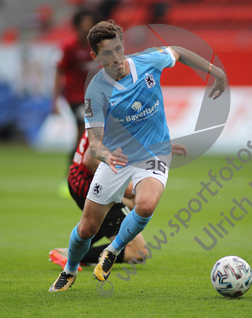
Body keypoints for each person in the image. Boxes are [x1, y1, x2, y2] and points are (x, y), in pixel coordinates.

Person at [49, 19, 226, 292]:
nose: (116, 57)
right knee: (87, 228)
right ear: (96, 56)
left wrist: (216, 72)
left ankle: (112, 250)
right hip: (116, 160)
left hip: (153, 154)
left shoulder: (148, 62)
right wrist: (106, 156)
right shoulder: (96, 91)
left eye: (119, 49)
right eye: (107, 53)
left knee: (145, 205)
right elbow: (93, 141)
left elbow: (177, 50)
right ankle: (69, 270)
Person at [48, 130, 187, 270]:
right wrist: (125, 187)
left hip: (81, 178)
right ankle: (70, 255)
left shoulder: (112, 113)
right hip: (88, 184)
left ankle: (79, 249)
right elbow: (90, 160)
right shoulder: (112, 117)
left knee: (136, 204)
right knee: (138, 252)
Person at [53, 8, 101, 163]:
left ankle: (82, 173)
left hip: (94, 96)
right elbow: (59, 72)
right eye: (83, 24)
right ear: (77, 25)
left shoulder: (99, 46)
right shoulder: (69, 46)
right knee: (83, 132)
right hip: (75, 96)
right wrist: (54, 100)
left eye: (89, 24)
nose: (86, 27)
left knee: (88, 136)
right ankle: (72, 174)